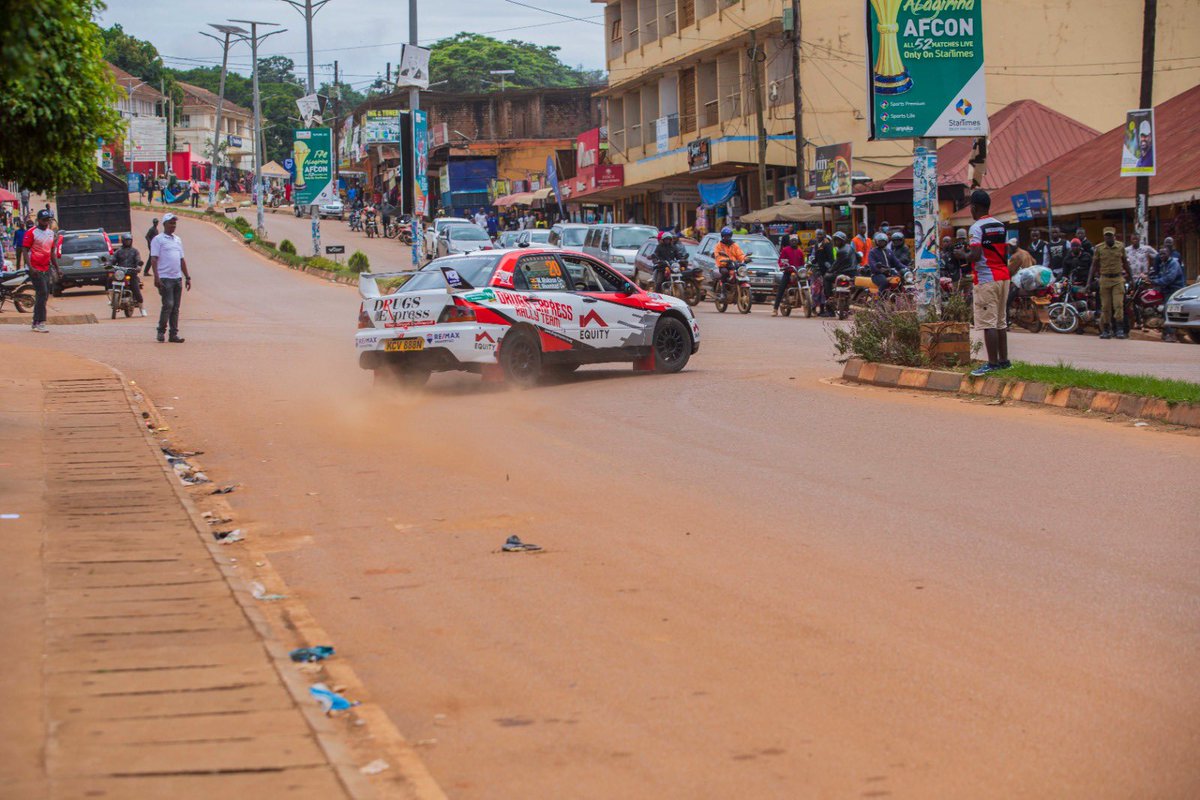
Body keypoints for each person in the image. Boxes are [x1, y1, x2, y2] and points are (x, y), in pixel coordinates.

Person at [966, 189, 1011, 376]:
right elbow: (1005, 254)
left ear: (974, 207)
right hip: (1003, 277)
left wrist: (962, 255)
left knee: (988, 323)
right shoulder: (1001, 226)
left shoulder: (976, 228)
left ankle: (991, 364)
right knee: (1001, 322)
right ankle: (1004, 361)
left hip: (986, 279)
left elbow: (975, 256)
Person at [149, 214, 191, 343]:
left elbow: (181, 259)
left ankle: (173, 334)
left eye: (174, 224)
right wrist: (156, 277)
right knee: (168, 304)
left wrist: (187, 277)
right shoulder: (158, 240)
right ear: (164, 225)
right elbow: (154, 259)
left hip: (177, 278)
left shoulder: (177, 240)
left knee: (176, 308)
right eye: (170, 223)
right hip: (165, 278)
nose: (173, 226)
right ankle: (161, 331)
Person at [1085, 226, 1131, 340]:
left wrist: (1132, 278)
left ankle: (1119, 329)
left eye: (1110, 235)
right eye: (1106, 236)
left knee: (1118, 304)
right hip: (1104, 279)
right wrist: (1088, 282)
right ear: (1104, 236)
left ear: (1114, 236)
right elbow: (1094, 265)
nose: (1108, 238)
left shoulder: (1120, 247)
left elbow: (1125, 263)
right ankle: (1106, 329)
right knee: (1105, 306)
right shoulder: (1099, 248)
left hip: (1117, 279)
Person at [22, 209, 58, 332]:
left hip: (46, 268)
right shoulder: (31, 232)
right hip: (35, 269)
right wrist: (30, 267)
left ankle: (36, 321)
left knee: (44, 294)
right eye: (44, 220)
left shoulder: (51, 233)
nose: (46, 222)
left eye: (48, 220)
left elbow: (52, 252)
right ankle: (40, 322)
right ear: (39, 220)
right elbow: (25, 250)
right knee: (42, 292)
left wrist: (57, 268)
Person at [1151, 246, 1185, 342]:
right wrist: (1149, 277)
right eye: (1160, 254)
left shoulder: (1173, 263)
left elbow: (1169, 279)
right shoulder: (1163, 264)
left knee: (1167, 308)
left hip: (1174, 290)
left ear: (1169, 254)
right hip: (1166, 290)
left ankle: (1171, 334)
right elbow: (1160, 276)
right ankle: (1165, 331)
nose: (1161, 255)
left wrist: (1154, 281)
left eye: (1163, 253)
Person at [112, 234, 147, 316]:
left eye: (129, 240)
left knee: (136, 289)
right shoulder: (118, 251)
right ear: (123, 241)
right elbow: (112, 259)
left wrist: (138, 266)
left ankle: (142, 308)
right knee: (110, 280)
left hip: (132, 273)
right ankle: (113, 300)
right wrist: (108, 264)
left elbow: (138, 260)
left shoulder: (135, 251)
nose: (128, 242)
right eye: (126, 240)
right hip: (121, 273)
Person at [773, 235, 804, 316]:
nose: (794, 242)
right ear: (790, 242)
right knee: (781, 288)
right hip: (788, 272)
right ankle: (775, 309)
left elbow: (802, 264)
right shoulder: (785, 250)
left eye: (795, 240)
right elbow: (781, 261)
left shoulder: (800, 252)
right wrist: (783, 266)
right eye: (792, 240)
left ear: (797, 241)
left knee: (806, 284)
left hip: (798, 273)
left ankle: (810, 308)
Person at [808, 229, 835, 316]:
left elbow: (831, 258)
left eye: (820, 235)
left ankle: (830, 311)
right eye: (817, 235)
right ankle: (821, 310)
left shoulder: (827, 244)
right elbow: (816, 258)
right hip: (819, 271)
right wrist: (811, 263)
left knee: (827, 291)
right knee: (818, 291)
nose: (819, 236)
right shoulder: (816, 245)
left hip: (826, 271)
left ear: (824, 235)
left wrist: (830, 268)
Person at [713, 227, 746, 297]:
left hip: (733, 264)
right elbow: (717, 256)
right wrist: (724, 260)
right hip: (723, 265)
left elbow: (740, 254)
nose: (727, 238)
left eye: (728, 236)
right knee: (724, 272)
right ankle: (723, 292)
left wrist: (745, 259)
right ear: (722, 237)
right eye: (725, 236)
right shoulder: (719, 245)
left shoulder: (734, 245)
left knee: (741, 271)